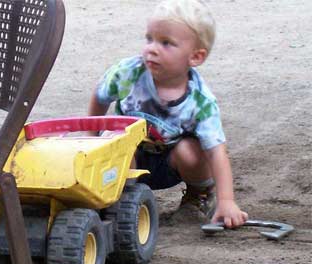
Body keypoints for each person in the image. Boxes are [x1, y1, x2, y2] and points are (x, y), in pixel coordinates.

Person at [88, 0, 248, 228]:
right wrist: (91, 138)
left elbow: (216, 151)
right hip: (127, 155)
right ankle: (119, 201)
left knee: (192, 152)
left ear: (195, 57)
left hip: (170, 161)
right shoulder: (128, 73)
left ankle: (199, 195)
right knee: (112, 140)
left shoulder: (200, 101)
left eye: (166, 43)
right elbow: (100, 96)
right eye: (149, 38)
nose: (152, 48)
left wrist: (228, 201)